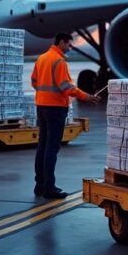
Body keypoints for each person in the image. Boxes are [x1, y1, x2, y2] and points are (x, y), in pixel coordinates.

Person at [31, 33, 99, 199]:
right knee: (52, 148)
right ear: (61, 42)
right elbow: (66, 87)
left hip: (41, 106)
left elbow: (34, 81)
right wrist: (86, 97)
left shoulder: (42, 58)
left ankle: (40, 185)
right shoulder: (59, 61)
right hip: (55, 108)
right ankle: (49, 188)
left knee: (42, 146)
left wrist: (44, 95)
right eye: (69, 44)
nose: (70, 48)